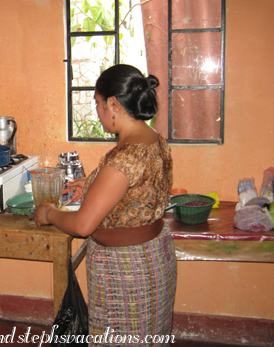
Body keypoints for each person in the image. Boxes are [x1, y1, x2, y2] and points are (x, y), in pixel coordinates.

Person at [33, 64, 176, 346]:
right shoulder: (154, 139)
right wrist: (92, 183)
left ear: (113, 103)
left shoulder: (124, 156)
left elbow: (83, 225)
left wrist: (50, 213)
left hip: (126, 269)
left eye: (98, 103)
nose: (98, 112)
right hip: (154, 254)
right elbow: (138, 188)